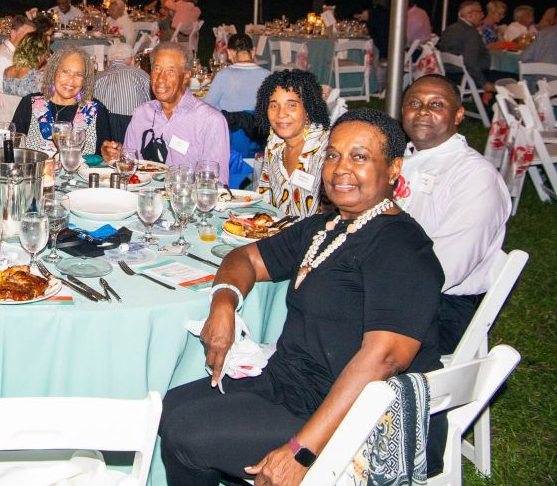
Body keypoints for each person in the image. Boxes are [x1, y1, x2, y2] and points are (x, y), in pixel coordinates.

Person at [159, 108, 446, 486]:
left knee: (187, 434)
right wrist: (224, 302)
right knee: (170, 408)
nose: (340, 168)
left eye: (359, 157)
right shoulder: (327, 226)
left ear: (394, 169)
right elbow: (244, 257)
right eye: (332, 155)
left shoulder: (401, 247)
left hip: (359, 417)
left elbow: (384, 359)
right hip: (292, 383)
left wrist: (300, 450)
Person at [398, 74, 511, 354]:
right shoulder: (400, 159)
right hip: (396, 287)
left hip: (440, 310)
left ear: (458, 114)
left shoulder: (474, 177)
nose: (423, 111)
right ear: (403, 112)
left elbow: (443, 271)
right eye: (415, 102)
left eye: (436, 105)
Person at [102, 42, 229, 181]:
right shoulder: (142, 114)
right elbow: (131, 167)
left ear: (186, 76)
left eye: (170, 71)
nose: (160, 78)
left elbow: (215, 184)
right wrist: (117, 155)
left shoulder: (210, 121)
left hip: (186, 200)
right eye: (156, 69)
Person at [253, 70, 330, 218]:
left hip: (315, 237)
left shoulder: (326, 150)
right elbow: (264, 191)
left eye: (291, 105)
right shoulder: (274, 142)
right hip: (276, 233)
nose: (281, 114)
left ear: (308, 108)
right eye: (274, 106)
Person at [12, 46, 114, 157]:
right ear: (53, 72)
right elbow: (12, 149)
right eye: (65, 72)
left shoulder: (96, 110)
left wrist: (107, 153)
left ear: (85, 80)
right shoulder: (30, 104)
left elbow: (104, 155)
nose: (71, 80)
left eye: (79, 74)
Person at [438, 1, 501, 94]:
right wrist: (484, 83)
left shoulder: (449, 29)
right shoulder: (470, 33)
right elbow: (470, 63)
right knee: (511, 79)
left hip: (450, 76)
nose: (482, 15)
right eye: (480, 12)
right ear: (470, 15)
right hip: (467, 77)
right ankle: (494, 107)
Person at [0, 14, 35, 115]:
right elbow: (9, 93)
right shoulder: (2, 58)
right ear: (13, 33)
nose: (31, 41)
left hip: (6, 108)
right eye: (27, 36)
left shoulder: (13, 53)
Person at [93, 41, 149, 138]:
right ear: (132, 61)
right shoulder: (141, 75)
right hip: (133, 129)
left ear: (108, 63)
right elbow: (153, 105)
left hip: (104, 130)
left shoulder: (97, 78)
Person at [203, 33, 270, 112]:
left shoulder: (223, 75)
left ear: (229, 53)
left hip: (230, 123)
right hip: (258, 123)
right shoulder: (267, 75)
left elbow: (206, 106)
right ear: (253, 51)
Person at [2, 31, 50, 98]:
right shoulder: (37, 76)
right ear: (39, 54)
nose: (46, 57)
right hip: (31, 108)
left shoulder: (7, 71)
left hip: (10, 108)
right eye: (46, 53)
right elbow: (51, 94)